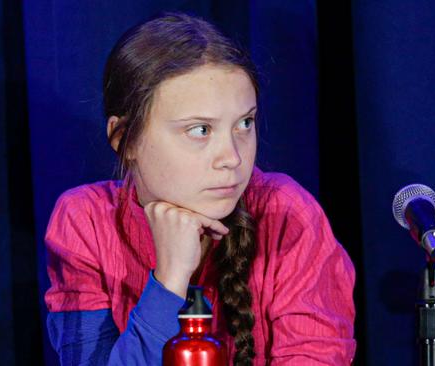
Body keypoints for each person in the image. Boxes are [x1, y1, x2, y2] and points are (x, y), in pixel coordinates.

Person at [44, 12, 356, 365]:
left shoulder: (286, 212)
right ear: (123, 138)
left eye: (245, 123)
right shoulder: (85, 221)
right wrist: (169, 280)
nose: (232, 158)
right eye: (200, 130)